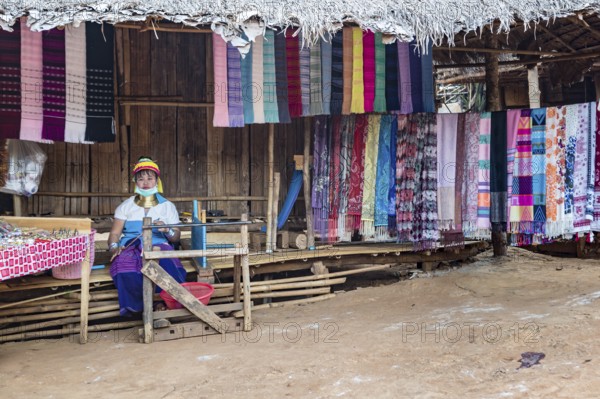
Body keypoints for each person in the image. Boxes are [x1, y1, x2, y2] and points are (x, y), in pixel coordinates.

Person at [108, 157, 186, 316]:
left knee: (168, 268)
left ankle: (162, 302)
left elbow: (176, 237)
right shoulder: (126, 206)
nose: (145, 182)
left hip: (159, 244)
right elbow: (115, 233)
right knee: (124, 268)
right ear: (135, 181)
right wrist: (114, 247)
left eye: (150, 178)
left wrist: (166, 230)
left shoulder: (167, 206)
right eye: (140, 178)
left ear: (157, 181)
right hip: (129, 246)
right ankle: (138, 307)